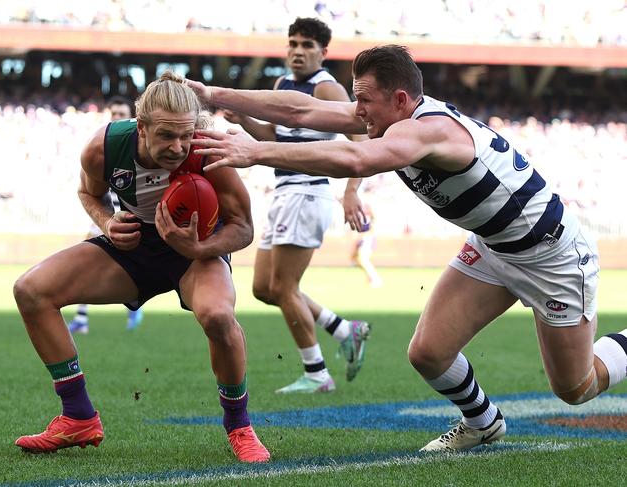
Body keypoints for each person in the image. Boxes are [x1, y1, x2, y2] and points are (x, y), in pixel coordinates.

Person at [187, 44, 627, 452]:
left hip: (551, 256)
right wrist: (214, 93)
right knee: (428, 353)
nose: (357, 112)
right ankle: (483, 422)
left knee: (575, 387)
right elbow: (303, 109)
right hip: (495, 248)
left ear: (400, 99)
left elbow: (358, 160)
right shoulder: (396, 117)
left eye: (365, 100)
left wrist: (256, 151)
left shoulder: (429, 131)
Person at [12, 71, 270, 463]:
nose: (179, 147)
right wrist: (107, 223)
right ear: (142, 126)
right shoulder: (104, 147)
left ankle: (239, 426)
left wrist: (201, 245)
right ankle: (78, 416)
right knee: (31, 290)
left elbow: (243, 228)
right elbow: (88, 192)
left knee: (218, 316)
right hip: (133, 248)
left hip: (195, 252)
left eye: (185, 134)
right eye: (167, 135)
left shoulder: (207, 150)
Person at [219, 18, 371, 394]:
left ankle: (317, 373)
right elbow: (274, 138)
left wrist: (352, 191)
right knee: (264, 289)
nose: (298, 51)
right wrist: (245, 119)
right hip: (285, 191)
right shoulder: (282, 86)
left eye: (307, 45)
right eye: (293, 44)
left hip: (307, 192)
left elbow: (365, 141)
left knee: (284, 287)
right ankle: (343, 329)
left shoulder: (328, 88)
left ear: (323, 52)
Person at [68, 96, 144, 334]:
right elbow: (89, 185)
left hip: (133, 215)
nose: (118, 118)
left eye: (122, 114)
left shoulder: (139, 144)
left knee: (133, 264)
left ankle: (134, 305)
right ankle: (82, 318)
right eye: (114, 115)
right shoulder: (103, 144)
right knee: (84, 263)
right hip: (106, 214)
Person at [343, 181, 382, 288]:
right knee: (355, 259)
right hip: (362, 236)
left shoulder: (369, 206)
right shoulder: (361, 205)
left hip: (367, 236)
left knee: (362, 258)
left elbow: (375, 221)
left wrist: (369, 233)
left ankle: (375, 279)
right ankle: (371, 277)